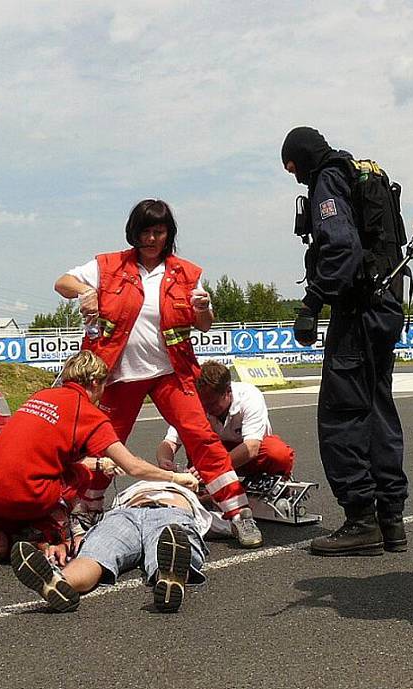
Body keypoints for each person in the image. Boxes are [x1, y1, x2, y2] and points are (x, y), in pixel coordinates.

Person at [54, 199, 262, 549]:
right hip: (117, 376)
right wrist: (86, 291)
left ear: (169, 234)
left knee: (202, 438)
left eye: (159, 232)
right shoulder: (107, 265)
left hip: (172, 374)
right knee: (105, 446)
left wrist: (204, 309)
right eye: (145, 231)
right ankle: (86, 512)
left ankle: (239, 514)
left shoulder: (186, 273)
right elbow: (62, 282)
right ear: (133, 232)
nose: (151, 238)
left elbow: (204, 325)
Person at [0, 351, 198, 572]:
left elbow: (38, 454)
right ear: (96, 382)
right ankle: (54, 534)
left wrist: (95, 464)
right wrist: (176, 477)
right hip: (23, 496)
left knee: (27, 517)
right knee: (74, 488)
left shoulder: (40, 396)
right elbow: (132, 466)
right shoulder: (88, 414)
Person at [281, 127, 408, 556]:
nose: (296, 178)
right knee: (377, 407)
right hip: (387, 302)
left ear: (300, 159)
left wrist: (312, 303)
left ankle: (360, 518)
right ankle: (391, 517)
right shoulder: (362, 172)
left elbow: (340, 247)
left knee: (342, 413)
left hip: (358, 308)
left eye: (294, 169)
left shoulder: (329, 179)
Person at [10, 478, 210, 613]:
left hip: (170, 511)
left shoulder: (191, 496)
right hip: (125, 512)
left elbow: (226, 520)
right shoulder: (142, 485)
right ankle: (60, 582)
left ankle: (169, 577)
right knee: (98, 549)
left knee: (171, 540)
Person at [157, 359, 295, 480]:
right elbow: (170, 442)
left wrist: (214, 467)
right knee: (193, 441)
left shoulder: (249, 396)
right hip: (214, 456)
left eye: (212, 403)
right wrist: (165, 460)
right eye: (203, 404)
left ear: (228, 391)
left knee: (277, 452)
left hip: (247, 457)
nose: (207, 409)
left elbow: (252, 447)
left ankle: (278, 482)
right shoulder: (195, 402)